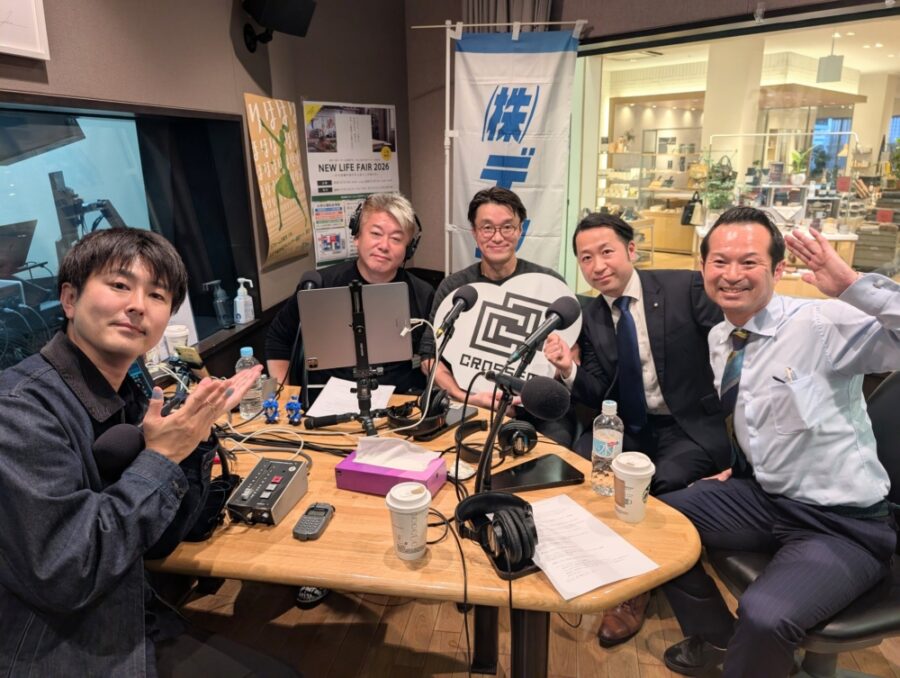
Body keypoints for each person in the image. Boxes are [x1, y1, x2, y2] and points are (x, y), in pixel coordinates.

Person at [0, 228, 297, 676]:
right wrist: (160, 459)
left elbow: (164, 539)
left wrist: (193, 439)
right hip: (58, 647)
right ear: (69, 299)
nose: (138, 305)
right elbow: (67, 572)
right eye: (120, 285)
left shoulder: (133, 394)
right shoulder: (19, 411)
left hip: (130, 613)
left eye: (157, 295)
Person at [658, 206, 900, 676]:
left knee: (766, 617)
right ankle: (719, 639)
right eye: (719, 261)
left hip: (843, 524)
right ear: (702, 267)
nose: (732, 275)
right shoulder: (722, 337)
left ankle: (755, 655)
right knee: (655, 519)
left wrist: (853, 285)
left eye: (749, 262)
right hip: (767, 498)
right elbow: (755, 415)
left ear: (779, 268)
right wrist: (741, 468)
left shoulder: (821, 323)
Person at [543, 212, 730, 647]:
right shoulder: (590, 315)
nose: (597, 266)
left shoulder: (685, 287)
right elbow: (597, 391)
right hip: (627, 426)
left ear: (631, 250)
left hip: (686, 427)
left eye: (606, 252)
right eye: (586, 258)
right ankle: (597, 562)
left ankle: (636, 590)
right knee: (584, 468)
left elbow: (735, 348)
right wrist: (567, 367)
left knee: (651, 488)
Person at [418, 186, 574, 445]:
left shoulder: (550, 285)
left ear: (520, 230)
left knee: (557, 449)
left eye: (507, 227)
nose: (497, 237)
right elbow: (429, 358)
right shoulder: (455, 289)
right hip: (469, 401)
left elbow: (572, 351)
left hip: (535, 410)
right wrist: (465, 396)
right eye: (487, 228)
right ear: (474, 232)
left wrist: (534, 392)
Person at [266, 192, 434, 399]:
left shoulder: (422, 293)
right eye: (376, 233)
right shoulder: (319, 285)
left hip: (399, 402)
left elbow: (431, 357)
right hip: (327, 399)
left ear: (409, 249)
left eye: (396, 239)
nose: (384, 246)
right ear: (357, 236)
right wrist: (284, 397)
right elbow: (278, 338)